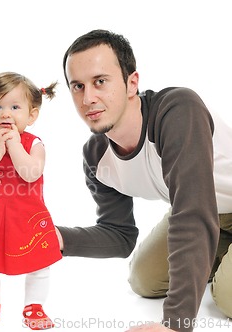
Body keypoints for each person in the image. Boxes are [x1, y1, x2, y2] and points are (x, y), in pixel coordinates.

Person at [59, 29, 232, 332]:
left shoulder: (177, 111)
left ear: (131, 83)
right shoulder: (96, 156)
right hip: (213, 214)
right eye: (77, 86)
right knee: (144, 279)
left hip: (200, 209)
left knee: (227, 296)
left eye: (100, 81)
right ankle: (214, 253)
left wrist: (175, 325)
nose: (88, 98)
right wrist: (55, 238)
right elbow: (118, 234)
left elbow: (191, 213)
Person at [0, 71, 62, 330]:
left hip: (27, 217)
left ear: (32, 115)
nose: (6, 114)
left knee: (38, 263)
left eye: (15, 107)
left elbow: (31, 172)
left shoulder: (34, 144)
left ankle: (34, 305)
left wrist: (15, 146)